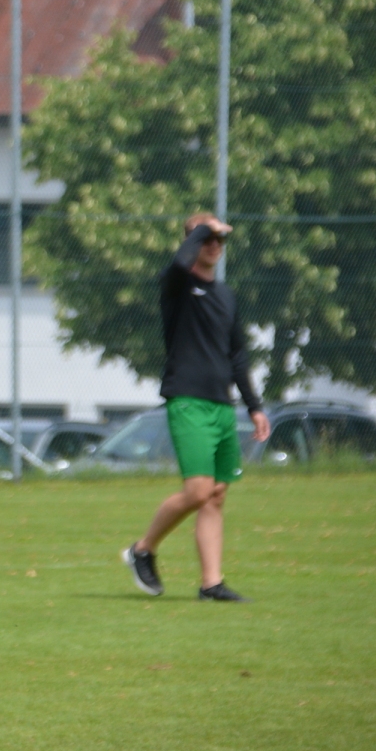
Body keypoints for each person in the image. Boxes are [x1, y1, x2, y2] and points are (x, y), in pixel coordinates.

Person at [122, 212, 270, 603]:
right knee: (198, 490)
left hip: (221, 404)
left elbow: (237, 355)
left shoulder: (225, 295)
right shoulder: (178, 284)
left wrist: (254, 406)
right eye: (208, 239)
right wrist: (206, 227)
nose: (215, 246)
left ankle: (211, 584)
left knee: (216, 493)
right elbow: (177, 262)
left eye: (220, 241)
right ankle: (142, 550)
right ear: (193, 241)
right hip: (187, 400)